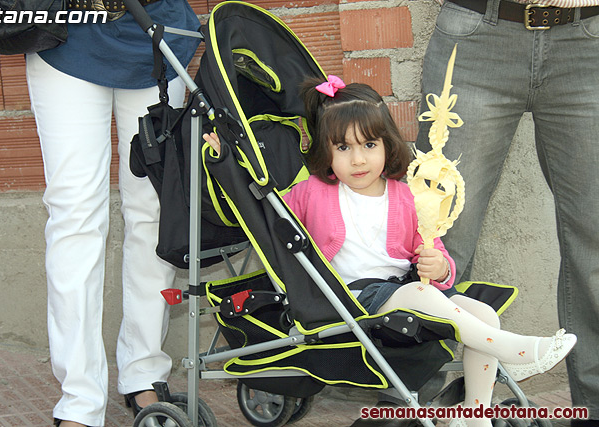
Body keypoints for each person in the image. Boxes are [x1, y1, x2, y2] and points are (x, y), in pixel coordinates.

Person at [204, 76, 577, 427]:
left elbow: (434, 254)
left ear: (387, 145)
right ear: (326, 152)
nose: (358, 160)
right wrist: (225, 164)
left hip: (405, 290)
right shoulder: (311, 193)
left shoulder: (406, 195)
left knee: (482, 311)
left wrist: (440, 267)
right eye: (343, 148)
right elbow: (261, 215)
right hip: (350, 300)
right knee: (419, 293)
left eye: (369, 145)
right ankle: (515, 350)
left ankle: (474, 414)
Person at [416, 1, 599, 425]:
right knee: (436, 237)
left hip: (588, 40)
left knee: (595, 244)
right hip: (478, 34)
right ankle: (414, 408)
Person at [25, 1, 200, 426]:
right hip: (64, 40)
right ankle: (78, 400)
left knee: (155, 212)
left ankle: (144, 372)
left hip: (155, 35)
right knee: (74, 216)